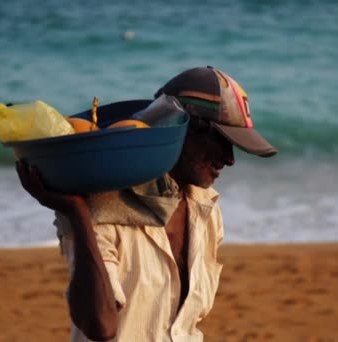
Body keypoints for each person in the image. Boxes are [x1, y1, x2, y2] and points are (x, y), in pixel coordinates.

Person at [16, 66, 277, 341]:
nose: (230, 158)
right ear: (182, 127)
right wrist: (77, 214)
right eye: (223, 141)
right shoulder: (101, 208)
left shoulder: (207, 211)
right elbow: (100, 326)